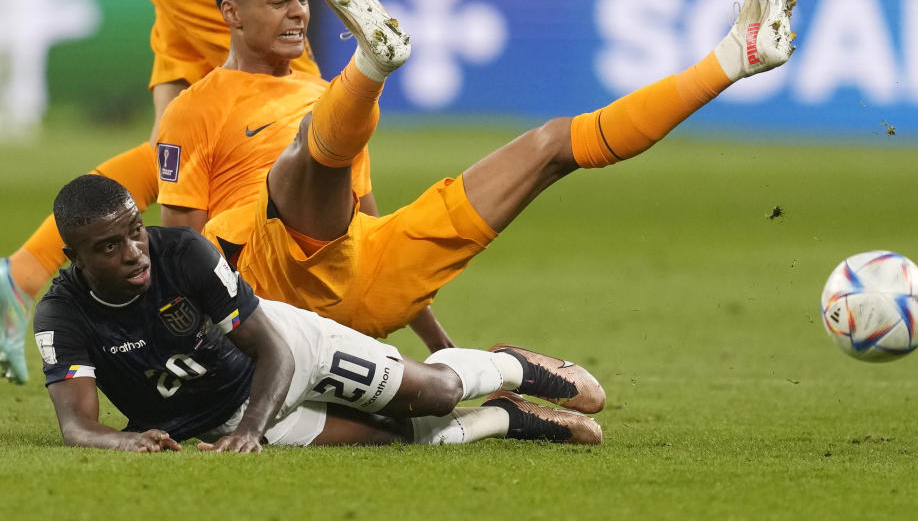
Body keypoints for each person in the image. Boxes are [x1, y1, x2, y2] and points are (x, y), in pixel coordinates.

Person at [157, 0, 797, 340]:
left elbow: (370, 224)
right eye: (278, 1)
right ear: (232, 14)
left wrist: (440, 346)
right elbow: (181, 251)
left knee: (550, 145)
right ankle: (374, 67)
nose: (298, 12)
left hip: (355, 270)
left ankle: (735, 56)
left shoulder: (317, 91)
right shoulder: (194, 110)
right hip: (264, 283)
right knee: (308, 154)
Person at [1, 0, 449, 384]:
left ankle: (22, 276)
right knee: (320, 132)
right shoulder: (258, 0)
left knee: (172, 151)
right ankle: (226, 328)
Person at [34, 174, 604, 452]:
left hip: (290, 353)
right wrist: (124, 441)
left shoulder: (183, 253)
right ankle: (509, 416)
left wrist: (253, 431)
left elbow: (272, 348)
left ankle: (506, 367)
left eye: (134, 233)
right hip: (219, 421)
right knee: (414, 440)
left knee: (436, 396)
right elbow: (78, 426)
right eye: (109, 247)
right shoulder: (61, 316)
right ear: (75, 257)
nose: (134, 252)